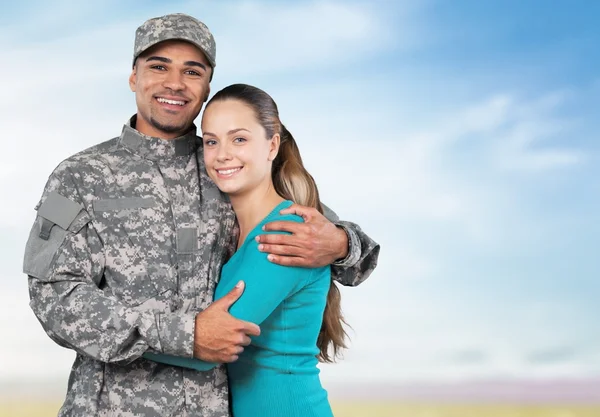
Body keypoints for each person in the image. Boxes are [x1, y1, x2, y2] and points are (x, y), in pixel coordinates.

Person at [22, 13, 380, 417]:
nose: (174, 83)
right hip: (110, 407)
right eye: (158, 66)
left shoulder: (230, 165)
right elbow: (52, 297)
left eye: (192, 71)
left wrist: (342, 243)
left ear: (207, 86)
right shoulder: (76, 177)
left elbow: (334, 246)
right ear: (133, 77)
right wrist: (185, 335)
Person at [145, 83, 346, 417]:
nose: (222, 153)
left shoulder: (284, 235)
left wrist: (104, 330)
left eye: (239, 139)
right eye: (211, 141)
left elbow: (206, 349)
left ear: (272, 145)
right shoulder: (238, 232)